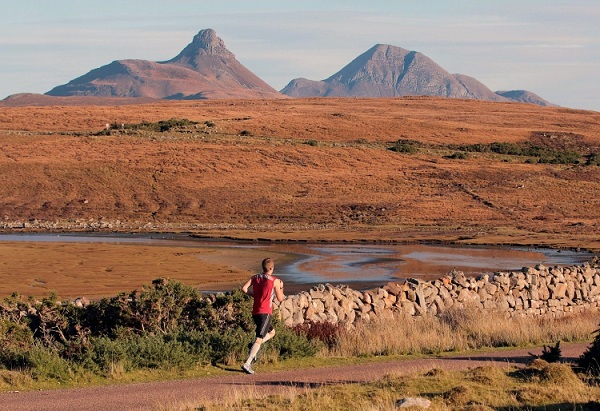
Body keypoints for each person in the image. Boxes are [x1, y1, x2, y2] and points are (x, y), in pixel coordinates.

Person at [240, 257, 285, 374]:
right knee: (259, 339)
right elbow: (280, 298)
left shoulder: (255, 277)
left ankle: (252, 347)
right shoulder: (275, 281)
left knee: (272, 332)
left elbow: (244, 289)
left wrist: (254, 296)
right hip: (265, 313)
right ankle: (247, 363)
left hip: (255, 312)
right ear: (272, 268)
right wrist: (281, 287)